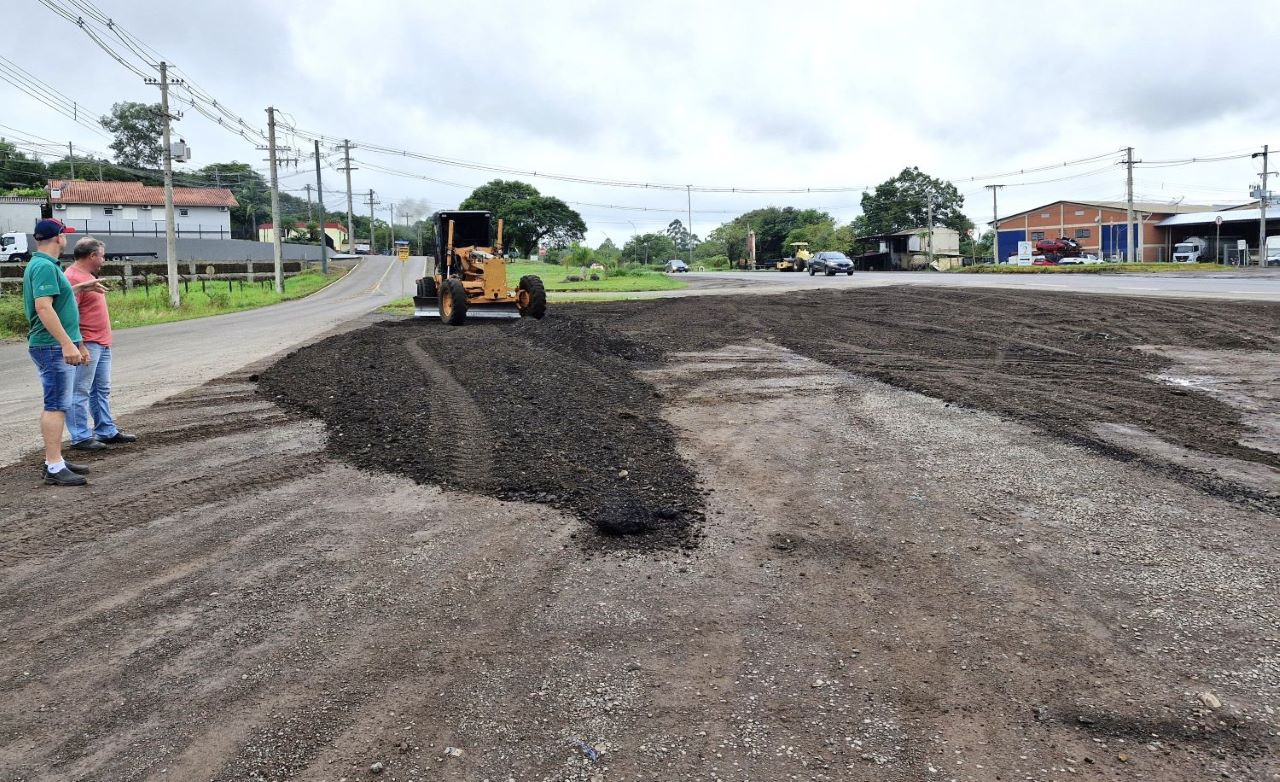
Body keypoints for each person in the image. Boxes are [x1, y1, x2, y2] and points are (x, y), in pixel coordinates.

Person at [23, 218, 103, 486]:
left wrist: (80, 287)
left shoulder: (44, 265)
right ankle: (54, 466)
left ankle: (54, 460)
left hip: (51, 344)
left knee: (59, 403)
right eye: (65, 235)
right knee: (56, 405)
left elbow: (57, 299)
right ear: (59, 238)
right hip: (51, 345)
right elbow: (44, 307)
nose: (66, 239)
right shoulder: (45, 266)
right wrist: (67, 344)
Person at [65, 236, 137, 452]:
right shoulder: (72, 278)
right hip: (88, 342)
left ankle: (105, 430)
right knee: (80, 390)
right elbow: (69, 316)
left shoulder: (87, 276)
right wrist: (79, 345)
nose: (104, 260)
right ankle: (80, 436)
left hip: (101, 343)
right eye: (102, 256)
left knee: (101, 389)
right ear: (92, 255)